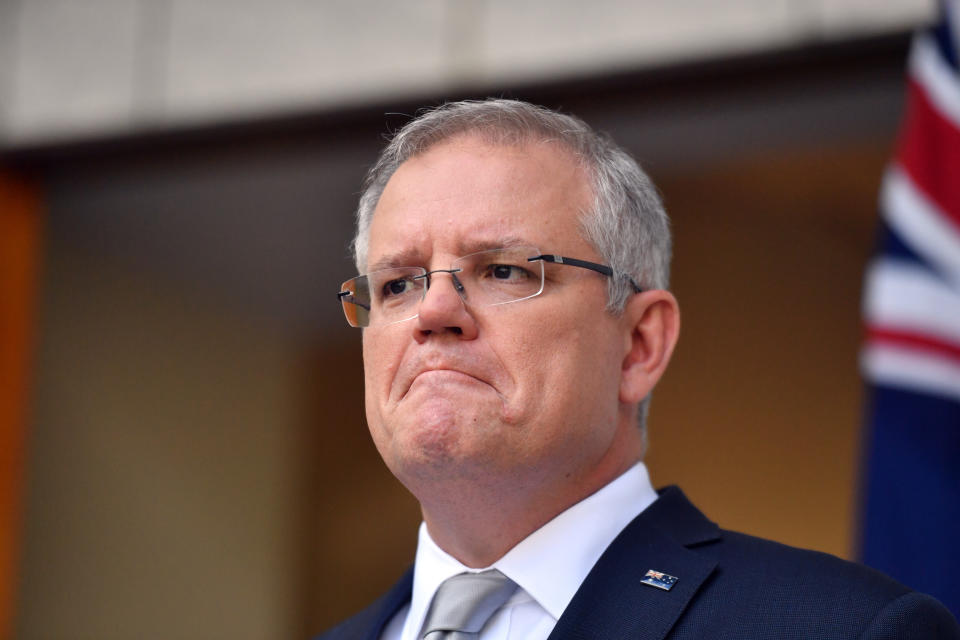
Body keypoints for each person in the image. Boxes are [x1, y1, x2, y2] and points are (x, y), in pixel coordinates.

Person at [320, 98, 959, 639]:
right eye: (398, 284)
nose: (433, 311)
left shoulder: (844, 629)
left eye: (504, 270)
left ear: (639, 345)